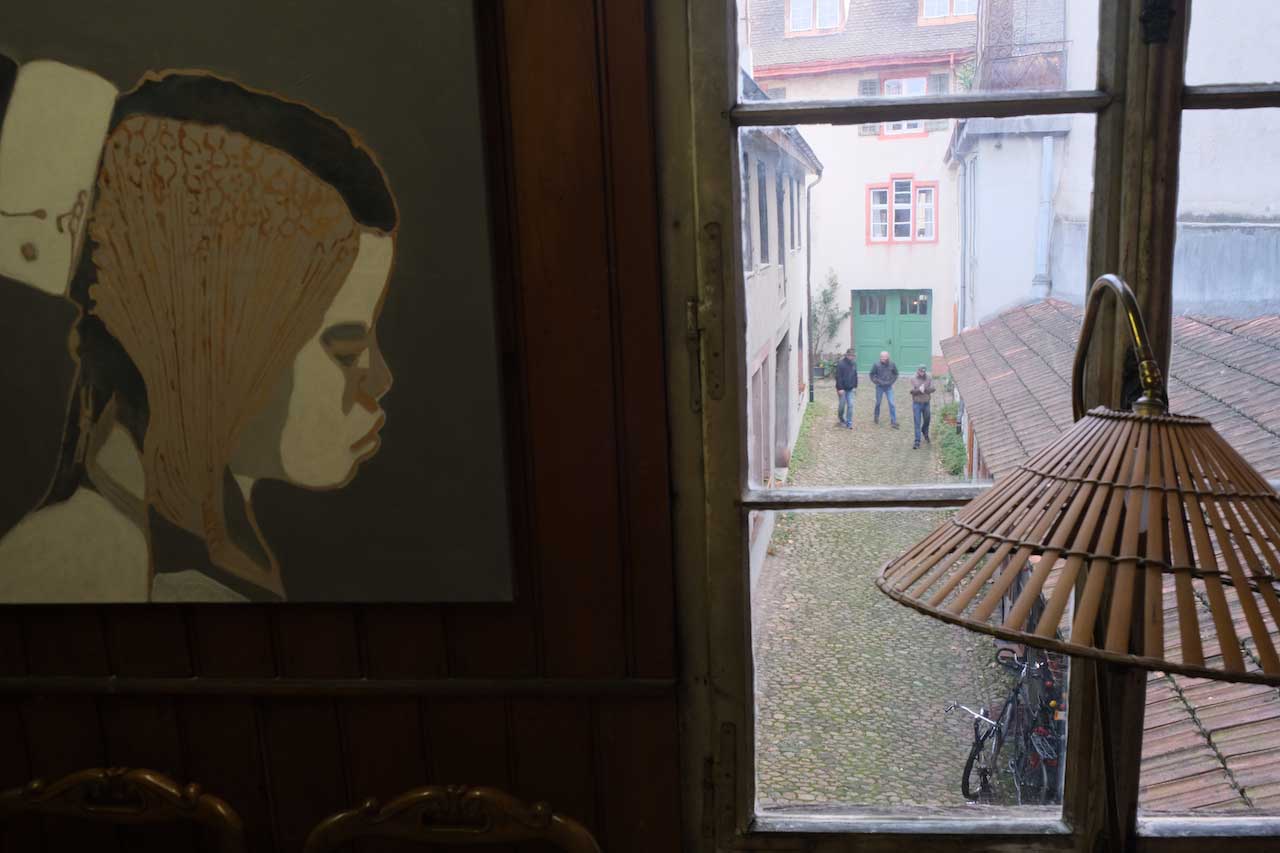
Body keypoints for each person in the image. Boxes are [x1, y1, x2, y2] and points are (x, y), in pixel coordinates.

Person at [0, 72, 399, 602]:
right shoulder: (80, 563)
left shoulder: (165, 555)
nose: (381, 378)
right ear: (220, 342)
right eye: (347, 351)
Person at [870, 350, 898, 428]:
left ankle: (893, 421)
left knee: (892, 403)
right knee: (878, 403)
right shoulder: (876, 364)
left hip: (889, 387)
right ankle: (876, 416)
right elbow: (872, 374)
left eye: (884, 356)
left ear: (887, 357)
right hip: (879, 387)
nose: (882, 358)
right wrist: (877, 381)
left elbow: (896, 374)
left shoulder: (892, 364)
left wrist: (891, 382)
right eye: (881, 356)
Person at [910, 365, 935, 450]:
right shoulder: (913, 378)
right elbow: (911, 391)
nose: (922, 373)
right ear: (918, 370)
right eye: (921, 371)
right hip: (917, 403)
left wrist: (925, 389)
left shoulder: (929, 378)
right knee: (917, 422)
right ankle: (917, 441)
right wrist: (919, 390)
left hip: (926, 403)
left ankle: (925, 431)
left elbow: (933, 389)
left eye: (923, 371)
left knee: (927, 420)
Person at [834, 348, 858, 429]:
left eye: (853, 356)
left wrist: (855, 386)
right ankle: (841, 419)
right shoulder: (841, 364)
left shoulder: (854, 364)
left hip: (850, 389)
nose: (851, 357)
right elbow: (838, 377)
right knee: (842, 406)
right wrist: (840, 388)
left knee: (850, 405)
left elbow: (855, 375)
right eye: (850, 355)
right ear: (847, 355)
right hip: (842, 389)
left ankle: (849, 423)